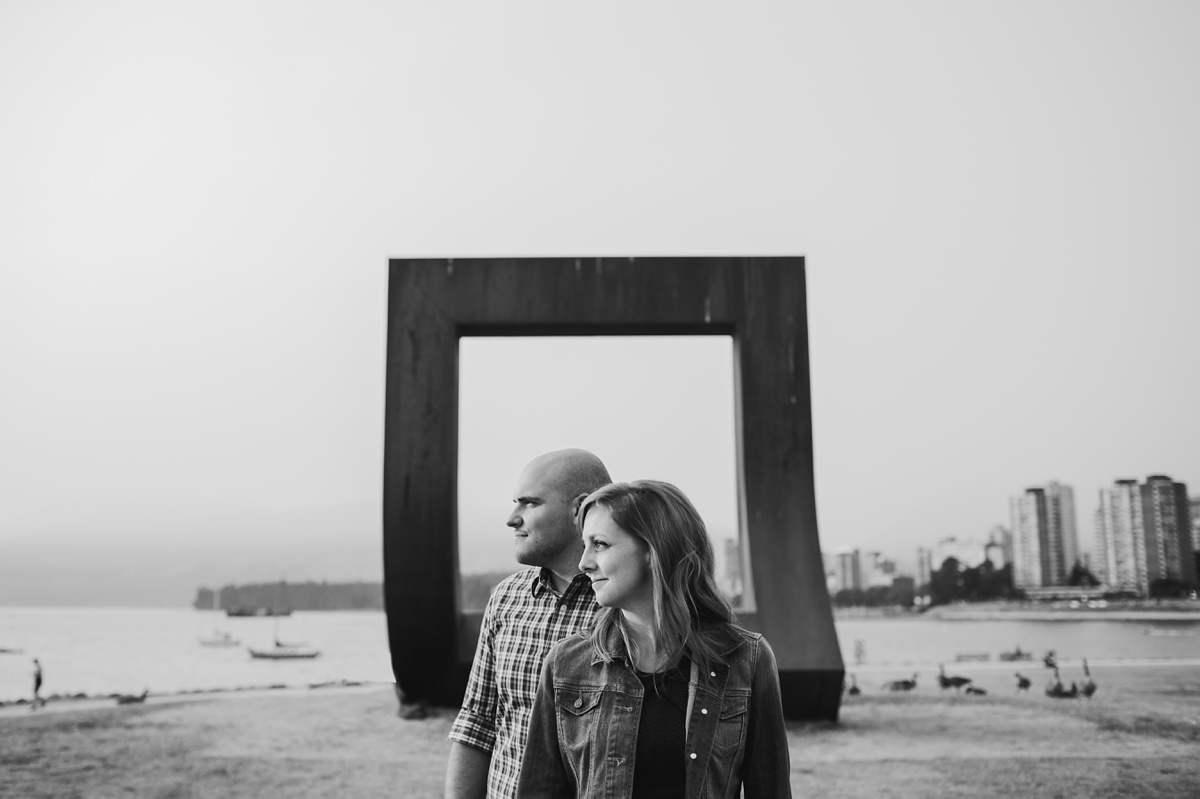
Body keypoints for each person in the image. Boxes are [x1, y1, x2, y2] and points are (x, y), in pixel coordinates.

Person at [518, 480, 791, 797]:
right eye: (585, 545)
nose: (584, 563)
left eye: (601, 545)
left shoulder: (747, 659)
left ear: (654, 549)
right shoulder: (566, 664)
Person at [445, 448, 612, 799]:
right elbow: (476, 722)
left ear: (579, 509)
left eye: (530, 503)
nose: (512, 518)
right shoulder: (507, 598)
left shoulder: (628, 605)